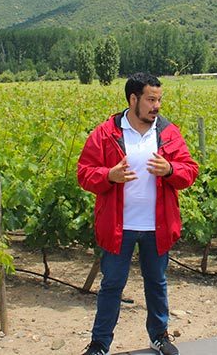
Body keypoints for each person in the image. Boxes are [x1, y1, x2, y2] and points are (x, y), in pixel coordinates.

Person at [77, 72, 199, 355]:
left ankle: (159, 335)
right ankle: (99, 344)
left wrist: (170, 170)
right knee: (112, 286)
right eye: (151, 99)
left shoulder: (168, 132)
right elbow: (84, 173)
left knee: (156, 283)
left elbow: (189, 170)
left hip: (157, 225)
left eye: (159, 99)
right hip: (119, 226)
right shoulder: (106, 133)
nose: (157, 105)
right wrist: (109, 175)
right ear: (133, 99)